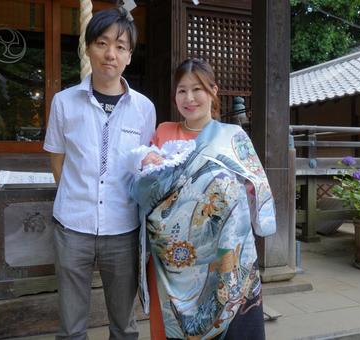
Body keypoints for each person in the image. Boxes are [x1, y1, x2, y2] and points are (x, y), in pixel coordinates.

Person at [131, 58, 276, 339]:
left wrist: (233, 194)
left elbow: (255, 184)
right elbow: (147, 189)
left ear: (213, 91)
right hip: (170, 256)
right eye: (181, 90)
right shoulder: (163, 132)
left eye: (197, 89)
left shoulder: (233, 136)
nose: (189, 98)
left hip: (220, 253)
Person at [43, 7, 156, 340]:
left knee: (124, 325)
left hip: (122, 230)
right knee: (71, 326)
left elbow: (144, 167)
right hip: (72, 227)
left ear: (129, 56)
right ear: (88, 48)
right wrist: (79, 199)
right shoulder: (63, 103)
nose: (111, 54)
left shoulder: (144, 109)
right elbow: (57, 162)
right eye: (103, 43)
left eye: (120, 47)